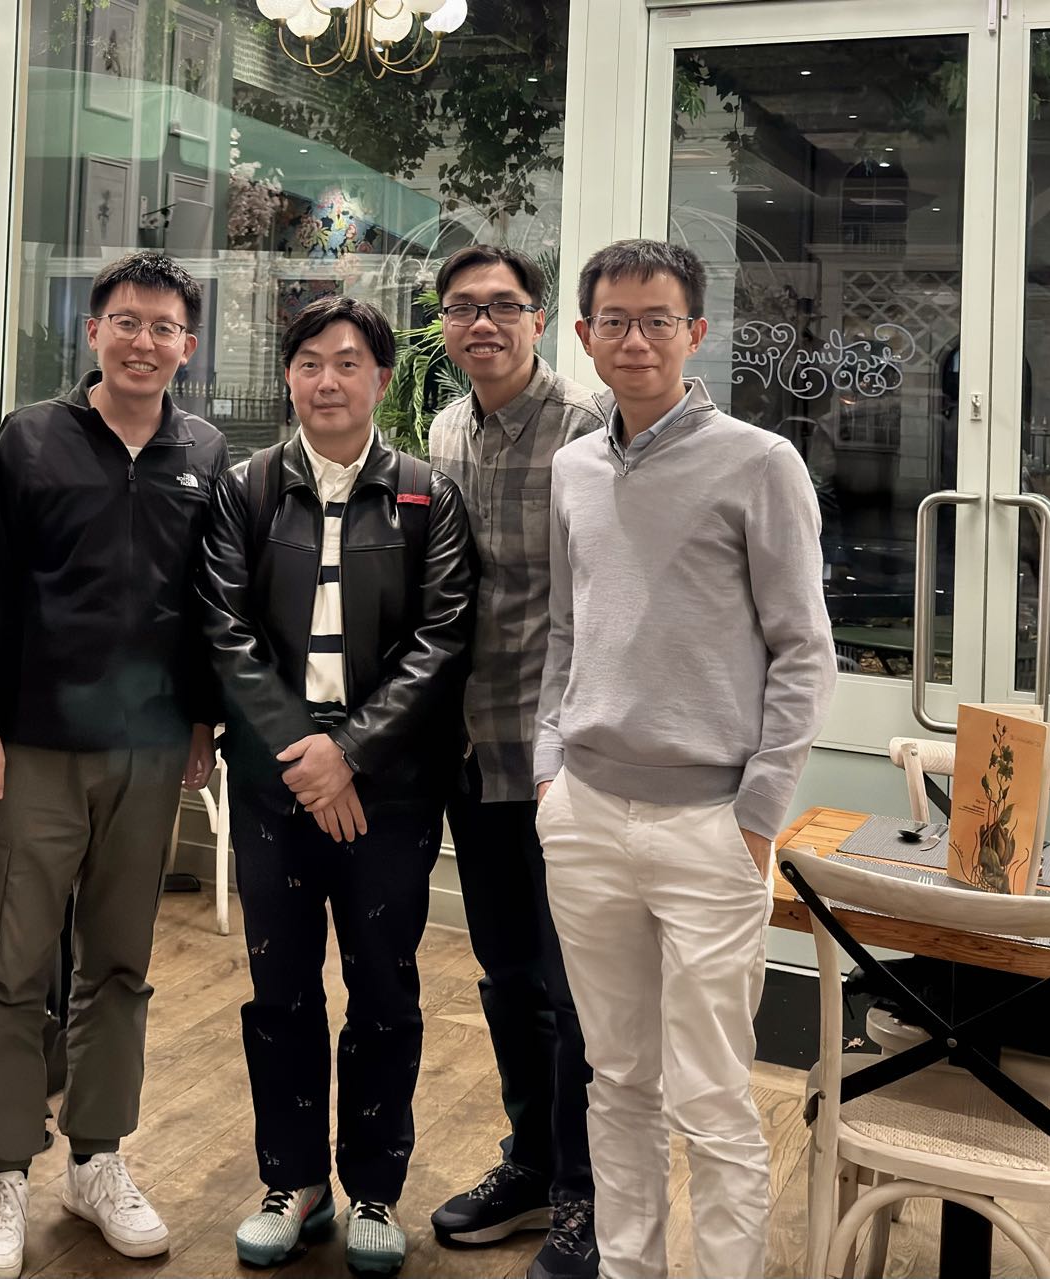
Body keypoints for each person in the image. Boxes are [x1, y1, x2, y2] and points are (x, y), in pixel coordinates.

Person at [533, 238, 836, 1279]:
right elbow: (564, 629)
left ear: (694, 331)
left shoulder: (758, 462)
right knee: (615, 1077)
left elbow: (803, 650)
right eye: (614, 321)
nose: (635, 340)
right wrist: (548, 767)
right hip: (584, 812)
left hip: (710, 824)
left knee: (710, 1092)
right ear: (584, 335)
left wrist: (757, 812)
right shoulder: (572, 467)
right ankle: (628, 1266)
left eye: (657, 320)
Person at [0, 251, 228, 1279]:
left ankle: (98, 1158)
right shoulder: (29, 439)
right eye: (125, 321)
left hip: (150, 750)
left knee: (119, 965)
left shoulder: (205, 451)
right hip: (32, 744)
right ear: (92, 331)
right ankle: (2, 1171)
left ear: (186, 346)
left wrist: (201, 720)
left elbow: (209, 605)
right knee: (11, 965)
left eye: (162, 327)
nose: (142, 341)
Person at [197, 295, 476, 1277]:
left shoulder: (426, 496)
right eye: (310, 361)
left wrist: (347, 754)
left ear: (381, 379)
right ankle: (293, 1182)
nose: (327, 380)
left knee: (384, 990)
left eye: (348, 362)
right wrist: (305, 756)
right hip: (275, 781)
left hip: (386, 786)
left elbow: (441, 639)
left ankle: (374, 1189)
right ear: (287, 375)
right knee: (278, 989)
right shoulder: (243, 490)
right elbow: (224, 631)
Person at [425, 245, 606, 1279]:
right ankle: (530, 1162)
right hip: (471, 745)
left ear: (538, 319)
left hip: (561, 754)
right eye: (462, 307)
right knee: (506, 974)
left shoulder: (586, 424)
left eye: (502, 305)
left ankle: (585, 1194)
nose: (481, 323)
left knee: (574, 985)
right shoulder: (446, 428)